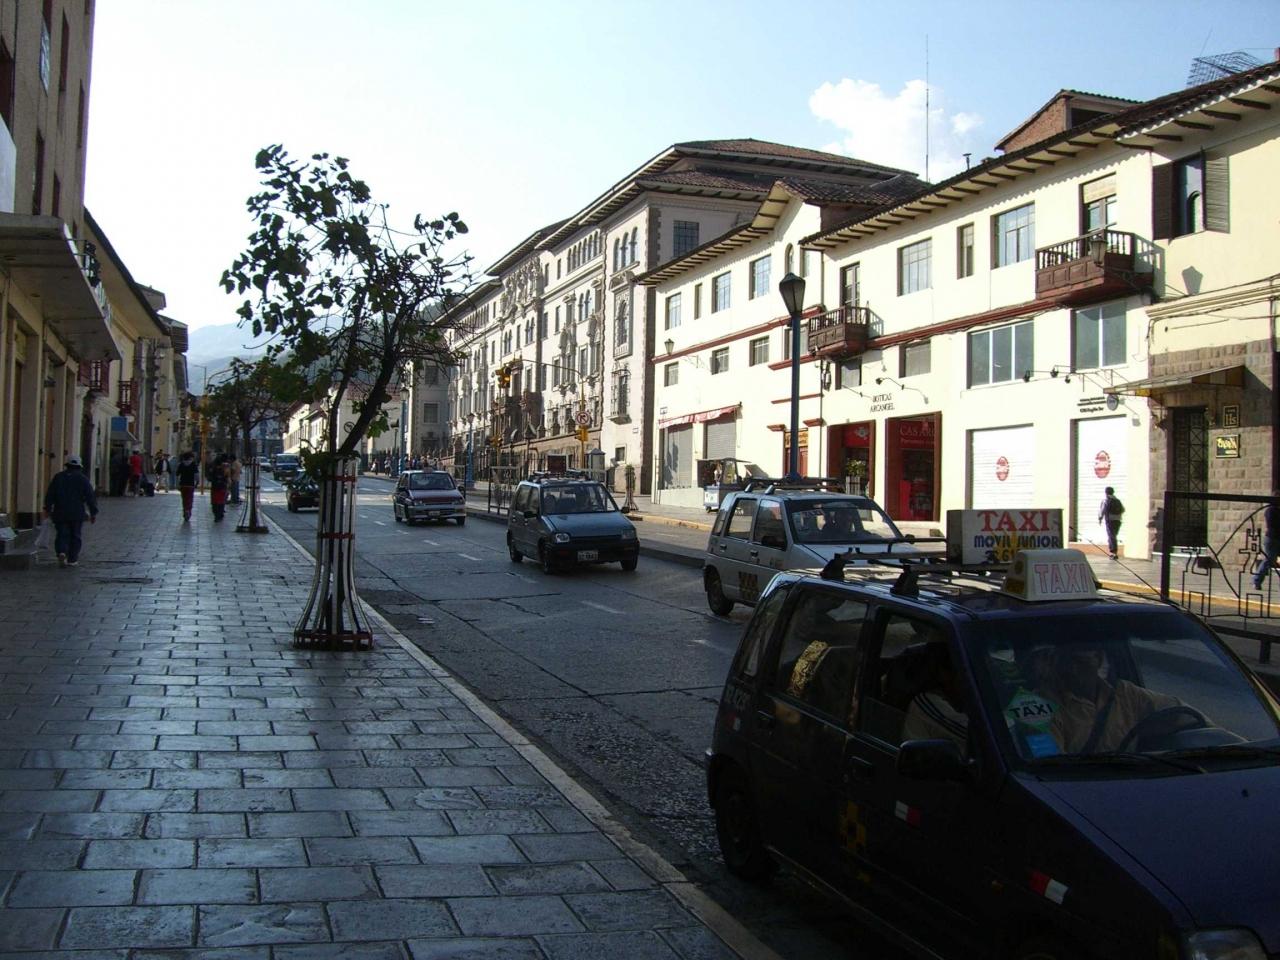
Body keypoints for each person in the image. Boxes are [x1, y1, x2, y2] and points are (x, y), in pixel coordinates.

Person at [1043, 645, 1178, 754]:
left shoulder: (1127, 694)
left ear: (1099, 659)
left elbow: (1181, 712)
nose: (1072, 670)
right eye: (1065, 661)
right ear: (1055, 662)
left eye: (1080, 662)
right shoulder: (1041, 705)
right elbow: (1049, 765)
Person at [901, 642, 969, 748]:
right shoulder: (926, 702)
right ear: (944, 674)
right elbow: (973, 732)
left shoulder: (954, 701)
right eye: (963, 670)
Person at [43, 455, 99, 567]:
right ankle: (72, 559)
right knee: (75, 535)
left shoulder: (58, 477)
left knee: (61, 533)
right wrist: (93, 512)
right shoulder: (83, 479)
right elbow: (90, 497)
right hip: (77, 512)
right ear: (79, 466)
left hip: (60, 511)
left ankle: (62, 551)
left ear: (67, 465)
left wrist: (47, 508)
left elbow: (50, 494)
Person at [1254, 492, 1280, 590]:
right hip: (1272, 539)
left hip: (1277, 538)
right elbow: (1272, 524)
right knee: (1269, 560)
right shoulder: (1271, 510)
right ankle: (1257, 581)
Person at [1098, 485, 1125, 560]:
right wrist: (1117, 514)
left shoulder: (1106, 500)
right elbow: (1123, 509)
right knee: (1114, 536)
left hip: (1110, 520)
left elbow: (1102, 510)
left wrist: (1100, 518)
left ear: (1106, 493)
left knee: (1111, 536)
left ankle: (1113, 553)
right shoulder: (1117, 500)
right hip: (1118, 520)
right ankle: (1113, 552)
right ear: (1113, 492)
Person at [175, 451, 199, 522]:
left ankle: (185, 510)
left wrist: (177, 484)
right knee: (190, 499)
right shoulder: (193, 465)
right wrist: (197, 482)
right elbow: (196, 475)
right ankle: (188, 510)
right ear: (191, 457)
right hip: (190, 485)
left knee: (184, 499)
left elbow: (177, 474)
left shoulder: (181, 464)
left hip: (183, 484)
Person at [208, 454, 229, 521]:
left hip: (214, 487)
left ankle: (216, 514)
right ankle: (220, 514)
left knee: (215, 501)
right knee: (221, 501)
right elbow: (227, 478)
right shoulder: (225, 469)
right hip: (222, 487)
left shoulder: (213, 469)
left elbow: (209, 478)